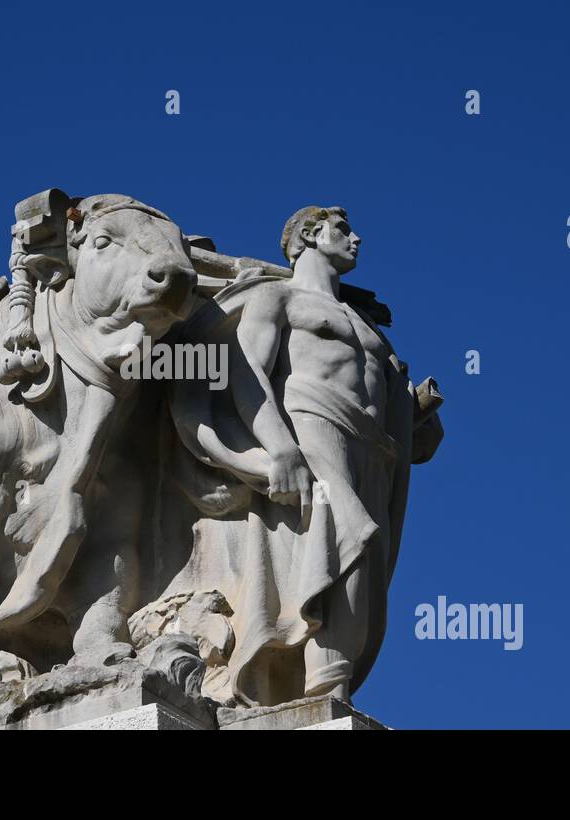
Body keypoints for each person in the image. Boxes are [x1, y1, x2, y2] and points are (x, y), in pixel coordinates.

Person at [165, 206, 443, 705]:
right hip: (313, 427)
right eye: (343, 229)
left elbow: (392, 408)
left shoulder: (371, 330)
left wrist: (415, 410)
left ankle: (329, 693)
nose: (357, 238)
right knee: (347, 544)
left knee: (370, 567)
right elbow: (245, 375)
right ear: (310, 235)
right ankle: (324, 688)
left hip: (375, 451)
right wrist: (280, 447)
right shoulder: (278, 298)